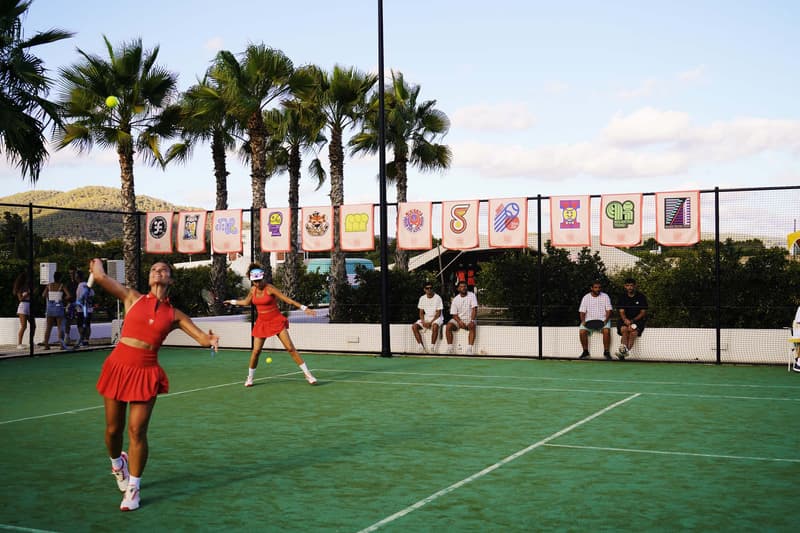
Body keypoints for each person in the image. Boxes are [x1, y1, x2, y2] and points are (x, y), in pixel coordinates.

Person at [90, 258, 219, 512]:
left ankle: (133, 488)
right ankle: (118, 464)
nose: (158, 272)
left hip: (146, 372)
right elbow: (103, 278)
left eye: (164, 270)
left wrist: (210, 338)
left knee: (137, 431)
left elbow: (201, 337)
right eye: (153, 269)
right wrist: (97, 266)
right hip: (118, 366)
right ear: (149, 278)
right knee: (113, 430)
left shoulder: (174, 314)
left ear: (170, 279)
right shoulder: (132, 297)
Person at [225, 263, 318, 387]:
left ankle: (308, 374)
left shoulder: (270, 288)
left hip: (276, 320)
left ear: (262, 278)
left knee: (290, 348)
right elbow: (246, 302)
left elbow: (287, 299)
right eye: (254, 281)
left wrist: (304, 307)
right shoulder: (253, 290)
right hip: (261, 323)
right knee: (256, 351)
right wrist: (231, 301)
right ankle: (250, 378)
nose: (257, 283)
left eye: (258, 280)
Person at [578, 281, 613, 360]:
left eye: (599, 287)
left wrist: (606, 320)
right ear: (591, 288)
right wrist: (583, 321)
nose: (598, 289)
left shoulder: (605, 296)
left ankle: (606, 352)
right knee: (582, 331)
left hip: (603, 320)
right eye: (596, 287)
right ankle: (585, 352)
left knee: (606, 331)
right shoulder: (586, 297)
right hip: (588, 320)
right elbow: (582, 311)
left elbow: (609, 310)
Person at [615, 278, 648, 360]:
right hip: (624, 320)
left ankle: (623, 353)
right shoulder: (622, 297)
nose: (630, 287)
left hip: (638, 321)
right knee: (624, 330)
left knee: (633, 333)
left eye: (631, 285)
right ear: (625, 286)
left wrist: (632, 321)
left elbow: (643, 312)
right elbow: (621, 311)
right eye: (627, 286)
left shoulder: (641, 297)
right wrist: (626, 320)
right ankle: (624, 353)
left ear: (635, 286)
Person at [445, 280, 478, 355]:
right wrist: (459, 322)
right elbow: (454, 314)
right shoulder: (455, 299)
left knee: (472, 325)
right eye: (461, 287)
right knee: (448, 326)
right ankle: (450, 348)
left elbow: (474, 309)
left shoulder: (472, 295)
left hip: (470, 319)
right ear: (458, 289)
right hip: (458, 320)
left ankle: (469, 349)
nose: (463, 288)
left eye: (465, 286)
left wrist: (472, 320)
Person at [411, 282, 443, 353]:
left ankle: (432, 347)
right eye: (427, 288)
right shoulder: (422, 298)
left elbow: (438, 313)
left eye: (431, 288)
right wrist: (423, 322)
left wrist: (430, 323)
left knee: (435, 326)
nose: (429, 290)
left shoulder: (438, 298)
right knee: (414, 326)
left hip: (437, 318)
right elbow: (421, 312)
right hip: (426, 318)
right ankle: (421, 347)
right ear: (424, 290)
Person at [42, 271, 70, 350]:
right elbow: (69, 295)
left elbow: (43, 295)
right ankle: (61, 345)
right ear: (60, 278)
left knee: (48, 327)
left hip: (50, 307)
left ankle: (46, 345)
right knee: (60, 327)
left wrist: (49, 297)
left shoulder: (49, 285)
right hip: (58, 307)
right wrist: (62, 298)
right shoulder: (61, 285)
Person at [13, 272, 35, 350]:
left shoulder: (28, 286)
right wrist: (27, 294)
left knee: (33, 325)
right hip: (23, 307)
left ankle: (31, 342)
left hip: (29, 306)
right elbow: (20, 299)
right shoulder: (20, 288)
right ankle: (19, 344)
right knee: (24, 326)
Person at [74, 270, 95, 347]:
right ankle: (86, 340)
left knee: (80, 325)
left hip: (81, 309)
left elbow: (80, 297)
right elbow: (92, 294)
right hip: (89, 309)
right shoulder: (87, 285)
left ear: (78, 277)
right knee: (88, 325)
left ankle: (82, 340)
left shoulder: (80, 286)